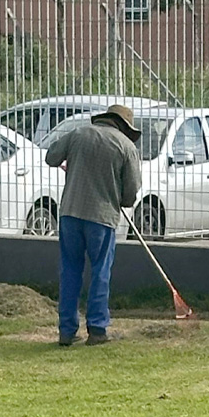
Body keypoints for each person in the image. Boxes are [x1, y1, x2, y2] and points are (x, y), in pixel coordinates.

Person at [45, 104, 142, 346]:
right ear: (123, 126)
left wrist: (72, 162)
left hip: (70, 213)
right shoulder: (126, 146)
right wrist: (117, 194)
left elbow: (51, 157)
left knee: (69, 271)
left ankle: (66, 331)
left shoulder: (78, 134)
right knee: (100, 271)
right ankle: (97, 329)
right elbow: (131, 194)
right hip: (101, 217)